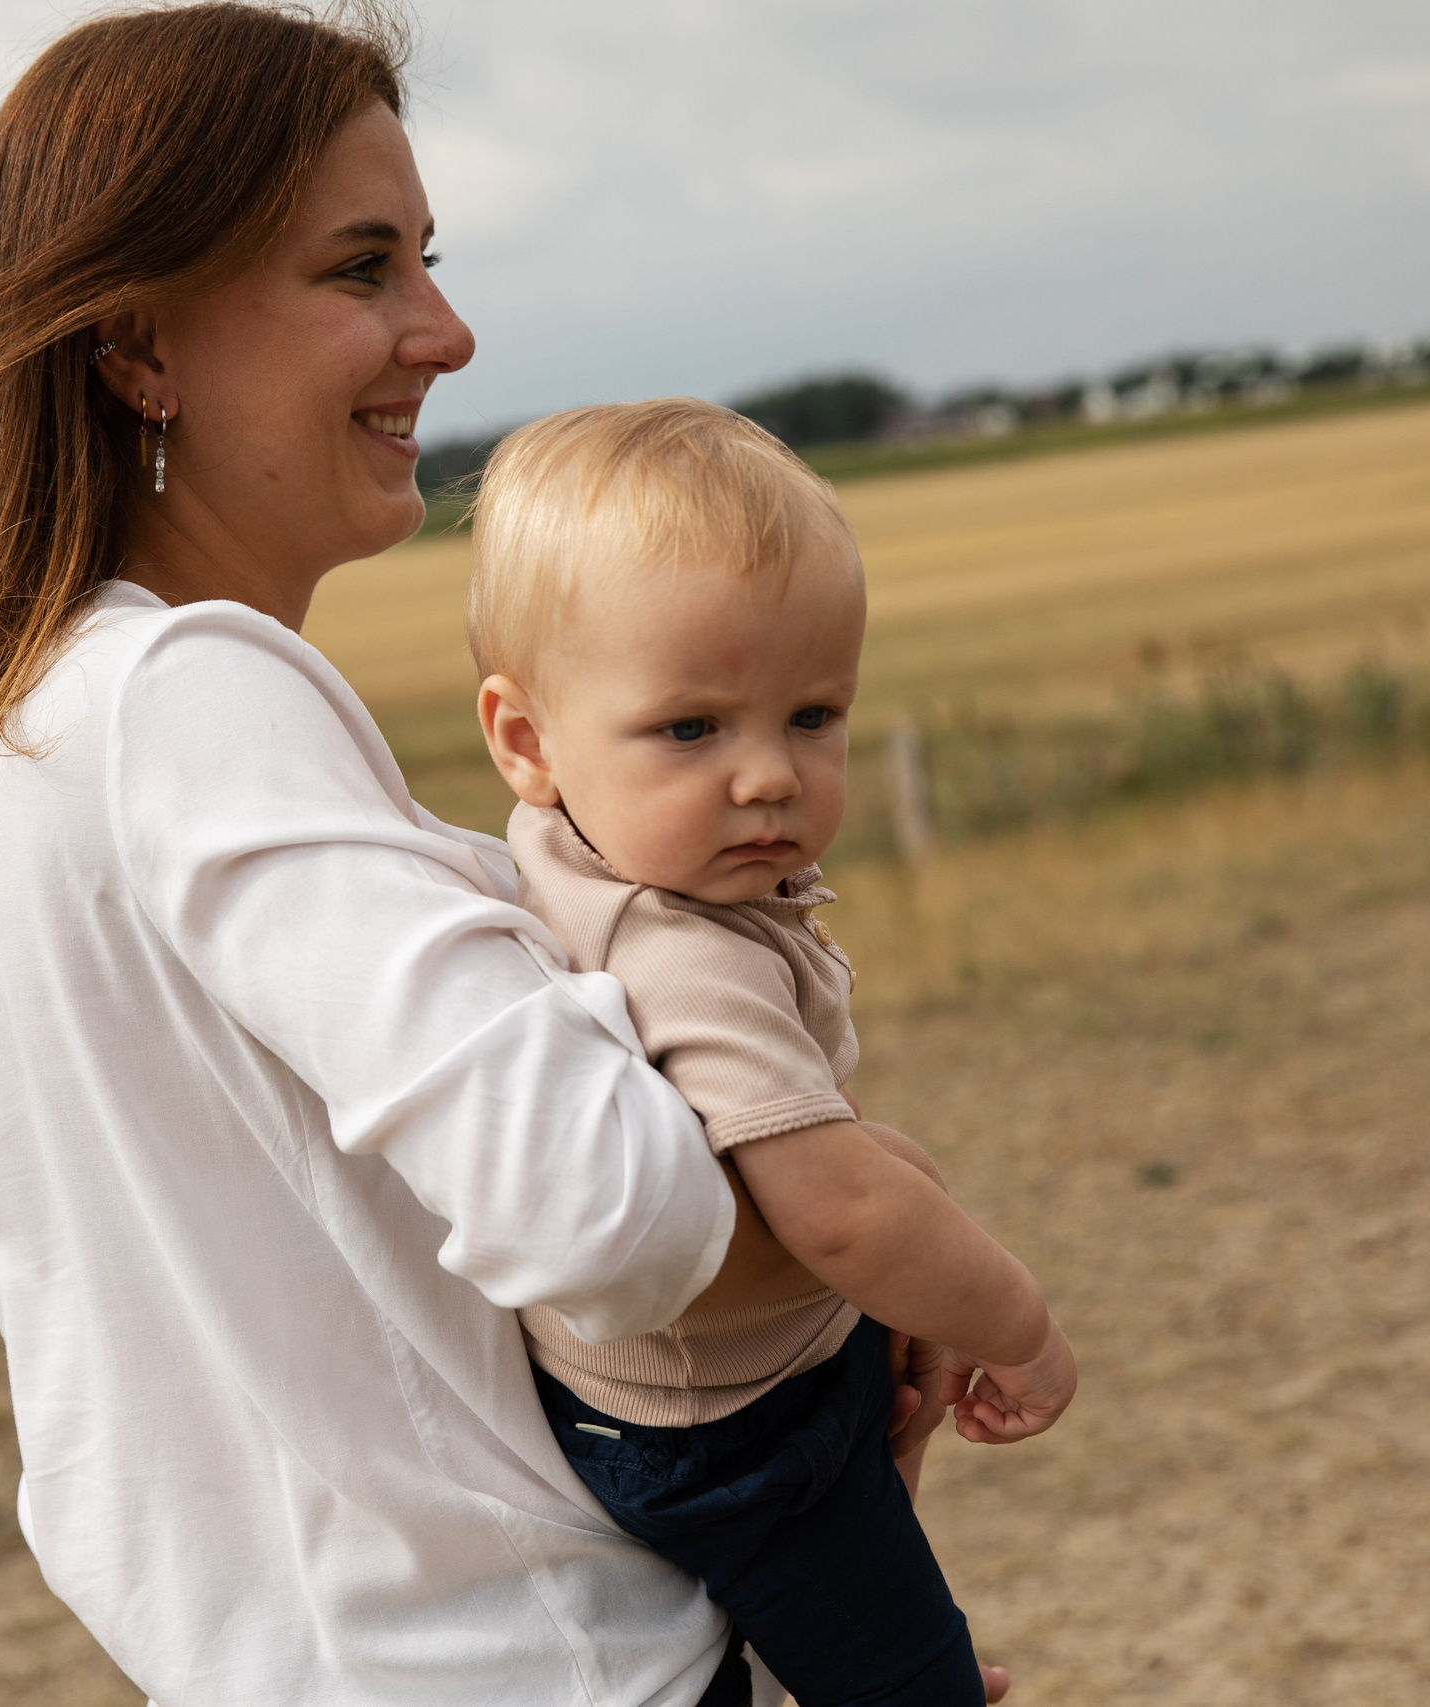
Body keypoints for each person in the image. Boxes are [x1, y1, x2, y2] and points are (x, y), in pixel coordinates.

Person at [0, 6, 976, 1703]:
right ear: (139, 342)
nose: (446, 333)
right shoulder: (187, 695)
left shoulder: (54, 712)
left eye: (428, 260)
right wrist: (860, 1225)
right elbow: (607, 1212)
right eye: (361, 269)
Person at [464, 399, 1078, 1705]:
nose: (769, 778)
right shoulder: (680, 952)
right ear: (527, 742)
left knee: (882, 1573)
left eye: (812, 714)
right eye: (692, 729)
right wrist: (1013, 1319)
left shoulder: (595, 859)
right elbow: (836, 1210)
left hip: (764, 1360)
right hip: (735, 1432)